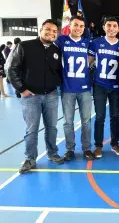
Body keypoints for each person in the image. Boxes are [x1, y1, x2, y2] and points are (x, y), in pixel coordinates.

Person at [8, 19, 64, 173]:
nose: (51, 33)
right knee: (32, 130)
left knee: (52, 127)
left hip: (51, 95)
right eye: (48, 29)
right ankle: (30, 158)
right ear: (41, 30)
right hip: (31, 96)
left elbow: (58, 71)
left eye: (54, 31)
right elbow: (11, 69)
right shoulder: (25, 46)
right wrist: (22, 89)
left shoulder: (56, 51)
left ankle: (53, 153)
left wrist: (56, 84)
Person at [54, 15, 95, 161]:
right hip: (67, 88)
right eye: (76, 25)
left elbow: (93, 59)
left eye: (81, 26)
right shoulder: (61, 40)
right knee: (68, 122)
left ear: (84, 29)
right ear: (69, 26)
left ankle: (86, 148)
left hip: (84, 88)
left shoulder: (87, 43)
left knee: (86, 121)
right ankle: (70, 149)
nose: (78, 28)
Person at [88, 17, 119, 158]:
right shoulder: (96, 43)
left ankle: (114, 144)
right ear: (104, 27)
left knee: (115, 116)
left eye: (114, 26)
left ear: (118, 29)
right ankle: (98, 145)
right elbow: (88, 62)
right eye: (109, 25)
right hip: (100, 85)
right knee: (100, 116)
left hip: (116, 86)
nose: (111, 28)